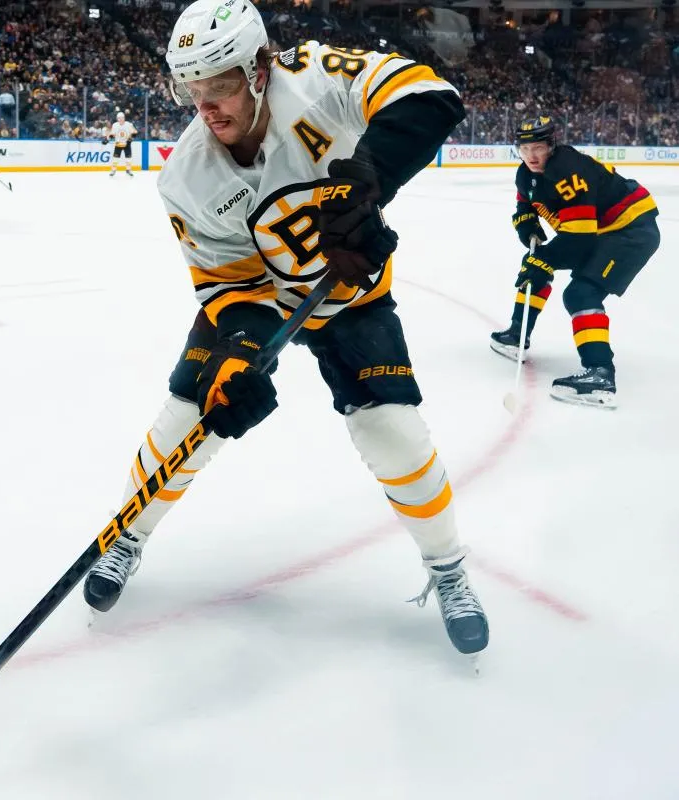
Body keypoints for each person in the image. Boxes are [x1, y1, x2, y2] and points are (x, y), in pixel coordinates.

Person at [82, 0, 488, 658]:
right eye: (192, 90)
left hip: (350, 297)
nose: (206, 107)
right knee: (186, 418)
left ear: (261, 68)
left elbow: (429, 95)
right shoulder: (185, 176)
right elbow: (229, 286)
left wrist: (368, 182)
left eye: (219, 87)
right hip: (262, 297)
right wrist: (240, 353)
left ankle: (448, 569)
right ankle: (126, 536)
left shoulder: (320, 78)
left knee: (394, 436)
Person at [489, 116, 659, 408]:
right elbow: (524, 204)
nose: (531, 156)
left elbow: (578, 240)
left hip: (631, 230)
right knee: (537, 264)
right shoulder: (526, 175)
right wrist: (527, 224)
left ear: (551, 146)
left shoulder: (568, 171)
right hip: (602, 231)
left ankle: (600, 374)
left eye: (538, 148)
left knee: (581, 293)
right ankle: (518, 333)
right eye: (524, 148)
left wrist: (543, 259)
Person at [104, 110, 137, 177]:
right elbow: (112, 134)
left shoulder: (128, 124)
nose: (120, 119)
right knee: (115, 158)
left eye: (122, 118)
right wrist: (107, 139)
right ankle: (113, 170)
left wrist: (130, 139)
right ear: (117, 119)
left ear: (124, 118)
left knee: (128, 158)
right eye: (119, 118)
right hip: (118, 144)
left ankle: (128, 170)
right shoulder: (115, 125)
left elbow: (135, 132)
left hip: (127, 144)